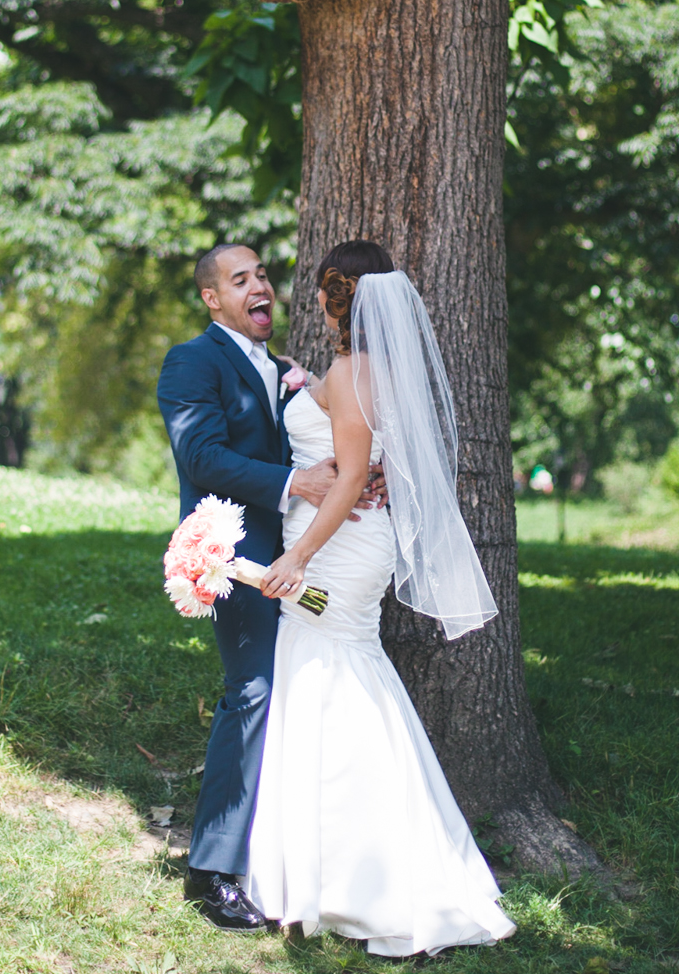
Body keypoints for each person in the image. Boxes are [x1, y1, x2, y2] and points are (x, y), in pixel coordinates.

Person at [245, 239, 516, 957]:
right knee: (339, 685)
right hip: (345, 542)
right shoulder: (371, 370)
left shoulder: (354, 369)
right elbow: (364, 458)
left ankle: (370, 881)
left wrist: (296, 557)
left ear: (333, 299)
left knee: (334, 687)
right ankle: (341, 872)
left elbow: (352, 471)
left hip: (335, 551)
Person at [155, 244, 378, 932]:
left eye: (263, 276)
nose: (261, 287)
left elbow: (337, 441)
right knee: (251, 692)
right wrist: (294, 484)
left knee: (299, 692)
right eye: (240, 279)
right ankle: (210, 871)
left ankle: (286, 855)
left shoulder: (282, 369)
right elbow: (200, 454)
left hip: (303, 558)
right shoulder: (193, 360)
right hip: (239, 553)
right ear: (212, 299)